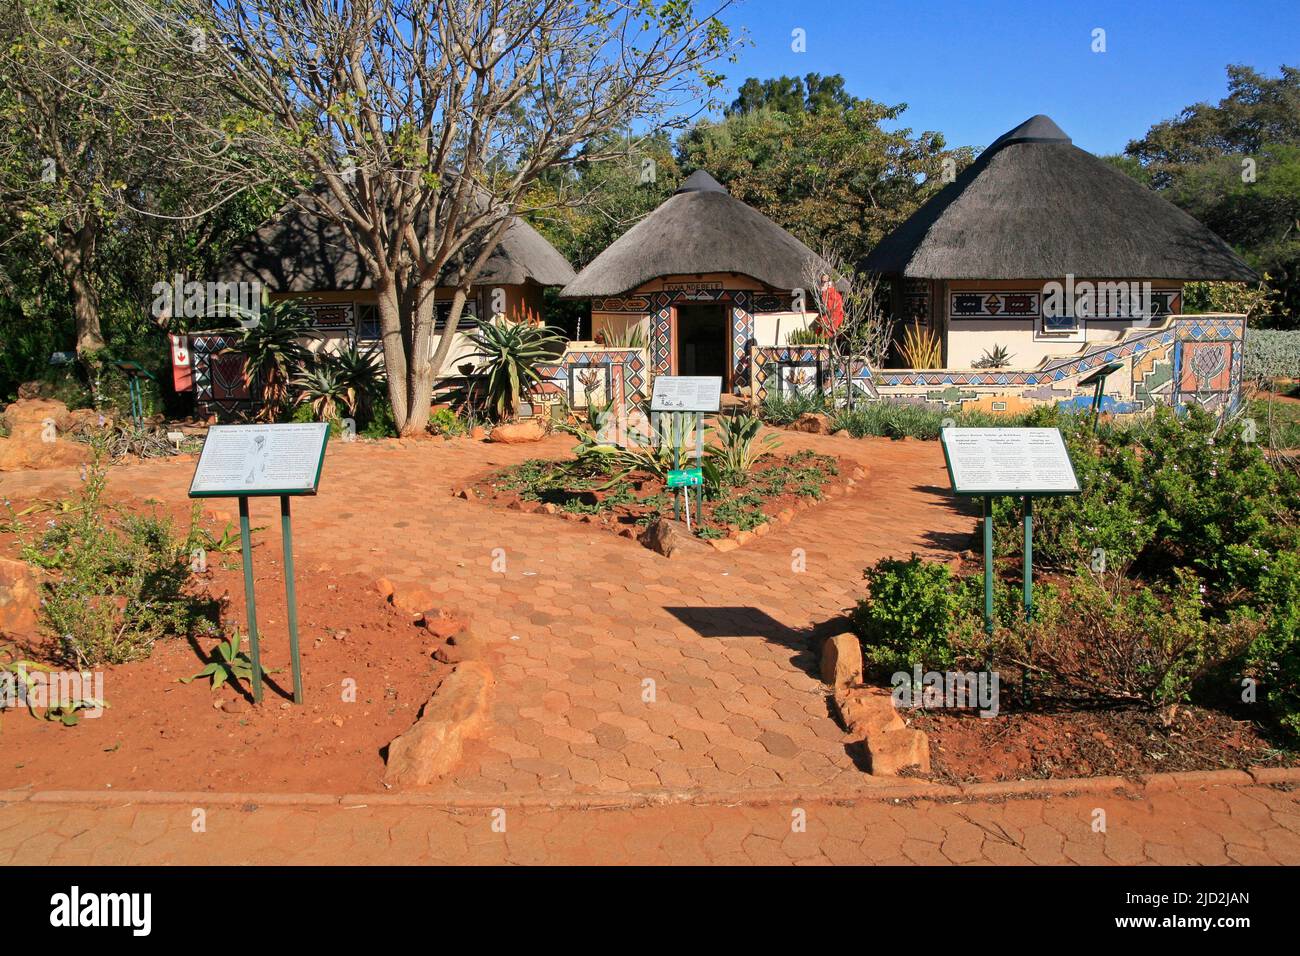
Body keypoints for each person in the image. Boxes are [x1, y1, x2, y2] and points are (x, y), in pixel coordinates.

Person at [815, 272, 844, 337]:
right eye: (821, 281)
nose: (822, 284)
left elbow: (832, 311)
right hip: (827, 322)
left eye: (824, 281)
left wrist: (824, 320)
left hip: (832, 323)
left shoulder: (834, 295)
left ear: (829, 283)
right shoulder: (823, 294)